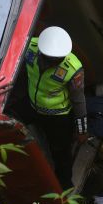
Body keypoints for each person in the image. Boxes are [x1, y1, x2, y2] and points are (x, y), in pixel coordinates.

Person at [25, 26, 86, 190]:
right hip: (32, 108)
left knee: (61, 153)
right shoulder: (28, 47)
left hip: (58, 118)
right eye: (51, 59)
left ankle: (64, 187)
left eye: (59, 58)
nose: (55, 62)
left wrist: (81, 130)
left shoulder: (72, 69)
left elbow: (79, 101)